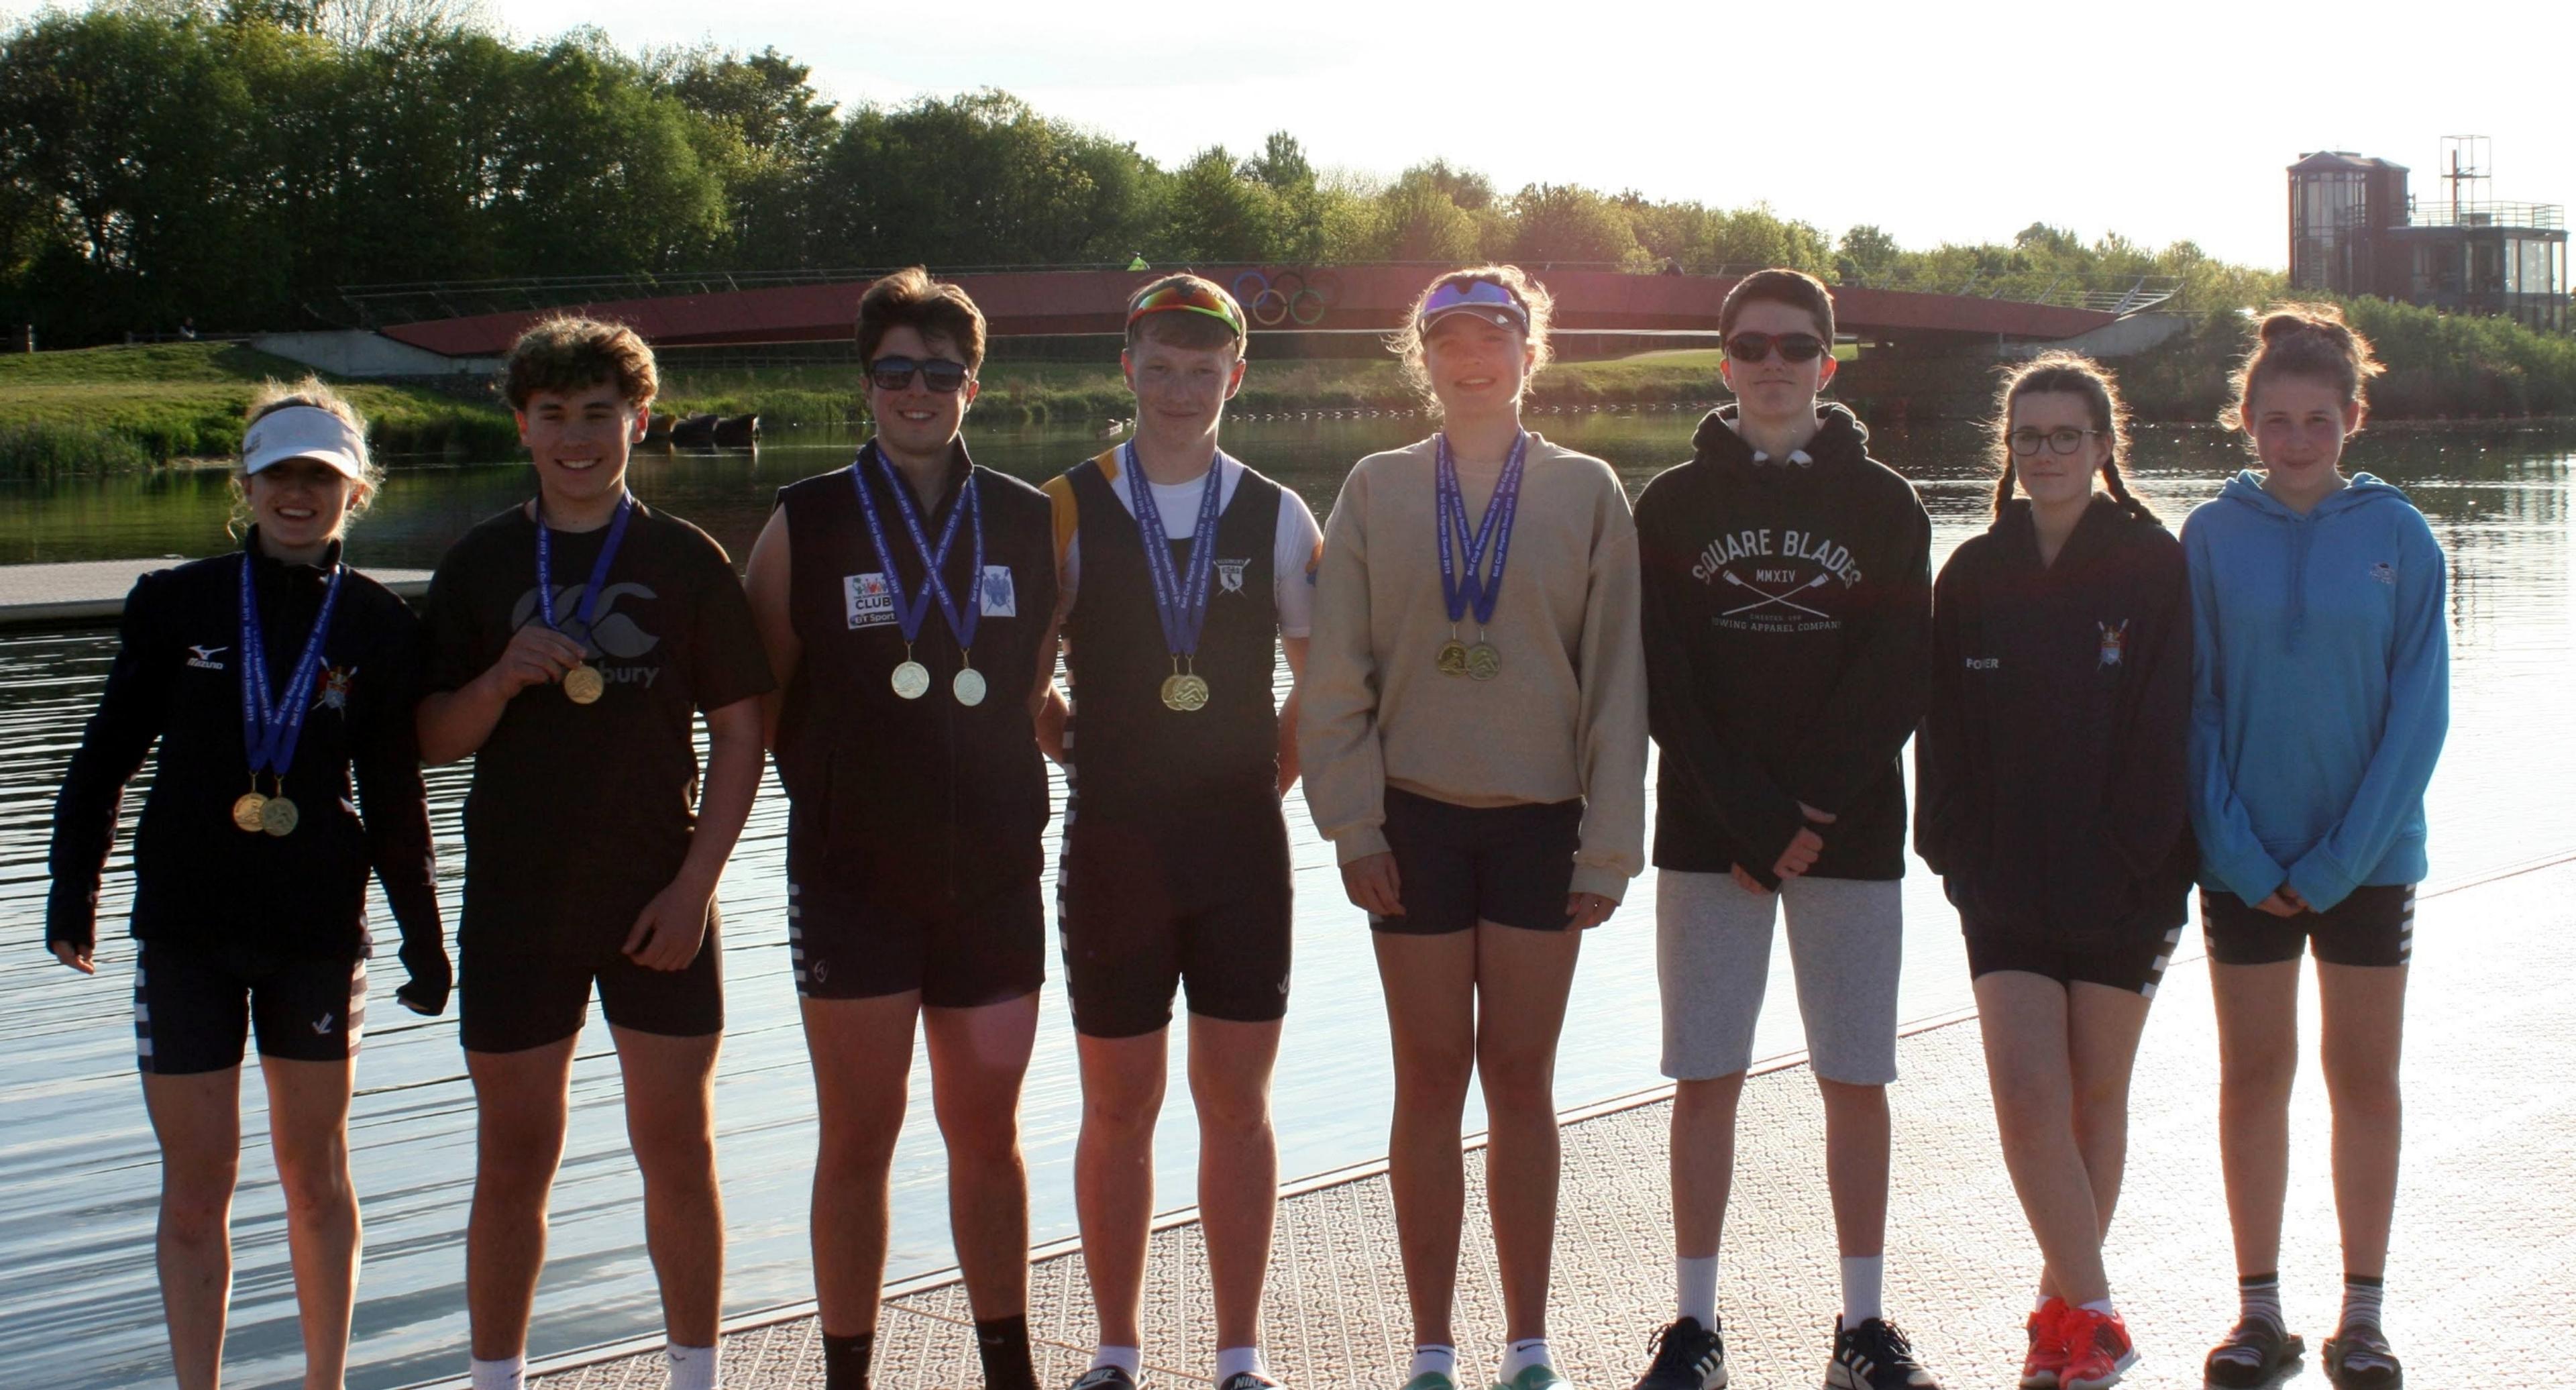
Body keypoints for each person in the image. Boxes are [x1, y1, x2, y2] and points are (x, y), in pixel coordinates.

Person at [47, 380, 447, 1390]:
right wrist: (71, 894)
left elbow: (395, 795)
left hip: (315, 930)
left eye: (321, 477)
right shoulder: (174, 603)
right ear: (248, 483)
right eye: (281, 474)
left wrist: (424, 936)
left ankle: (325, 1383)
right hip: (185, 927)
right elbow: (104, 760)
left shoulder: (377, 626)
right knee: (196, 1190)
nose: (298, 494)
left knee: (315, 1183)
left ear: (354, 492)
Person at [1301, 265, 1647, 1390]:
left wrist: (1609, 846)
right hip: (1414, 828)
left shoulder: (1590, 490)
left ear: (1528, 353)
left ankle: (1529, 1341)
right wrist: (1354, 826)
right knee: (1430, 1075)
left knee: (1521, 1077)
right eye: (1448, 339)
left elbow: (1618, 688)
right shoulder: (1374, 487)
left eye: (1493, 337)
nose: (1471, 358)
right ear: (1425, 358)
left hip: (1545, 829)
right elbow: (1334, 679)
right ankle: (1434, 1346)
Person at [417, 317, 772, 1390]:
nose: (578, 437)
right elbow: (431, 741)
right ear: (522, 424)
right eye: (555, 415)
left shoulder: (685, 559)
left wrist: (697, 889)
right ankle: (496, 1379)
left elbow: (744, 734)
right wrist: (496, 680)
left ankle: (696, 1376)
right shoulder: (480, 563)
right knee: (515, 1157)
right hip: (519, 903)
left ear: (641, 422)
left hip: (656, 897)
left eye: (600, 415)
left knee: (679, 1149)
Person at [742, 268, 1059, 1390]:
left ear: (973, 385)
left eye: (939, 372)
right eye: (894, 372)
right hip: (852, 876)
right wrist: (835, 780)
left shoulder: (1028, 517)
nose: (915, 392)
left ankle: (1007, 1369)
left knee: (987, 1137)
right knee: (859, 1135)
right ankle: (847, 1376)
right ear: (865, 383)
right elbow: (756, 695)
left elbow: (1032, 691)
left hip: (992, 880)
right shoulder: (807, 519)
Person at [1629, 267, 1936, 1390]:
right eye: (1751, 347)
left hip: (1849, 833)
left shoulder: (1888, 504)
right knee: (1705, 1074)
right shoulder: (1667, 506)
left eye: (1794, 347)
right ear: (1724, 364)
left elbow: (1900, 672)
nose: (1773, 365)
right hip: (1711, 834)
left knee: (1855, 1076)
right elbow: (1661, 681)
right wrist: (1753, 820)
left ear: (1828, 363)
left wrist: (1803, 812)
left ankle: (1862, 1327)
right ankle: (1697, 1327)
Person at [1032, 274, 1320, 1390]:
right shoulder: (1065, 504)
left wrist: (1269, 782)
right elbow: (1016, 657)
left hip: (1241, 854)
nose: (1182, 386)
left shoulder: (1279, 510)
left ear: (1234, 378)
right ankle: (1115, 1352)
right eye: (1161, 365)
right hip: (1110, 850)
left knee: (1237, 1108)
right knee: (1117, 1106)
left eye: (1205, 369)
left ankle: (1239, 1357)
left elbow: (1326, 678)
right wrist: (1057, 733)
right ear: (1128, 368)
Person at [1913, 354, 2192, 1390]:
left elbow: (2171, 726)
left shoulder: (2152, 564)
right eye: (2028, 437)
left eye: (2066, 435)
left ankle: (2058, 1316)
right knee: (2028, 1091)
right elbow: (1936, 733)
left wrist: (2134, 858)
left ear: (2105, 445)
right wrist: (1953, 852)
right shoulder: (1974, 574)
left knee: (2092, 1101)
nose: (2046, 454)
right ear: (2010, 449)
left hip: (2128, 883)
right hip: (2005, 886)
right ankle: (2102, 1317)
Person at [2186, 305, 2447, 1390]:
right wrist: (2241, 854)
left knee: (2364, 1081)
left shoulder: (2403, 537)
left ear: (2352, 420)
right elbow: (2188, 708)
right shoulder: (2207, 536)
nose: (2297, 440)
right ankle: (2260, 1318)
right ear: (2247, 421)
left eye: (2318, 422)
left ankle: (2364, 1318)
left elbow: (2419, 716)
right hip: (2242, 859)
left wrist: (2340, 862)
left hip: (2368, 862)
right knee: (2253, 1078)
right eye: (2277, 421)